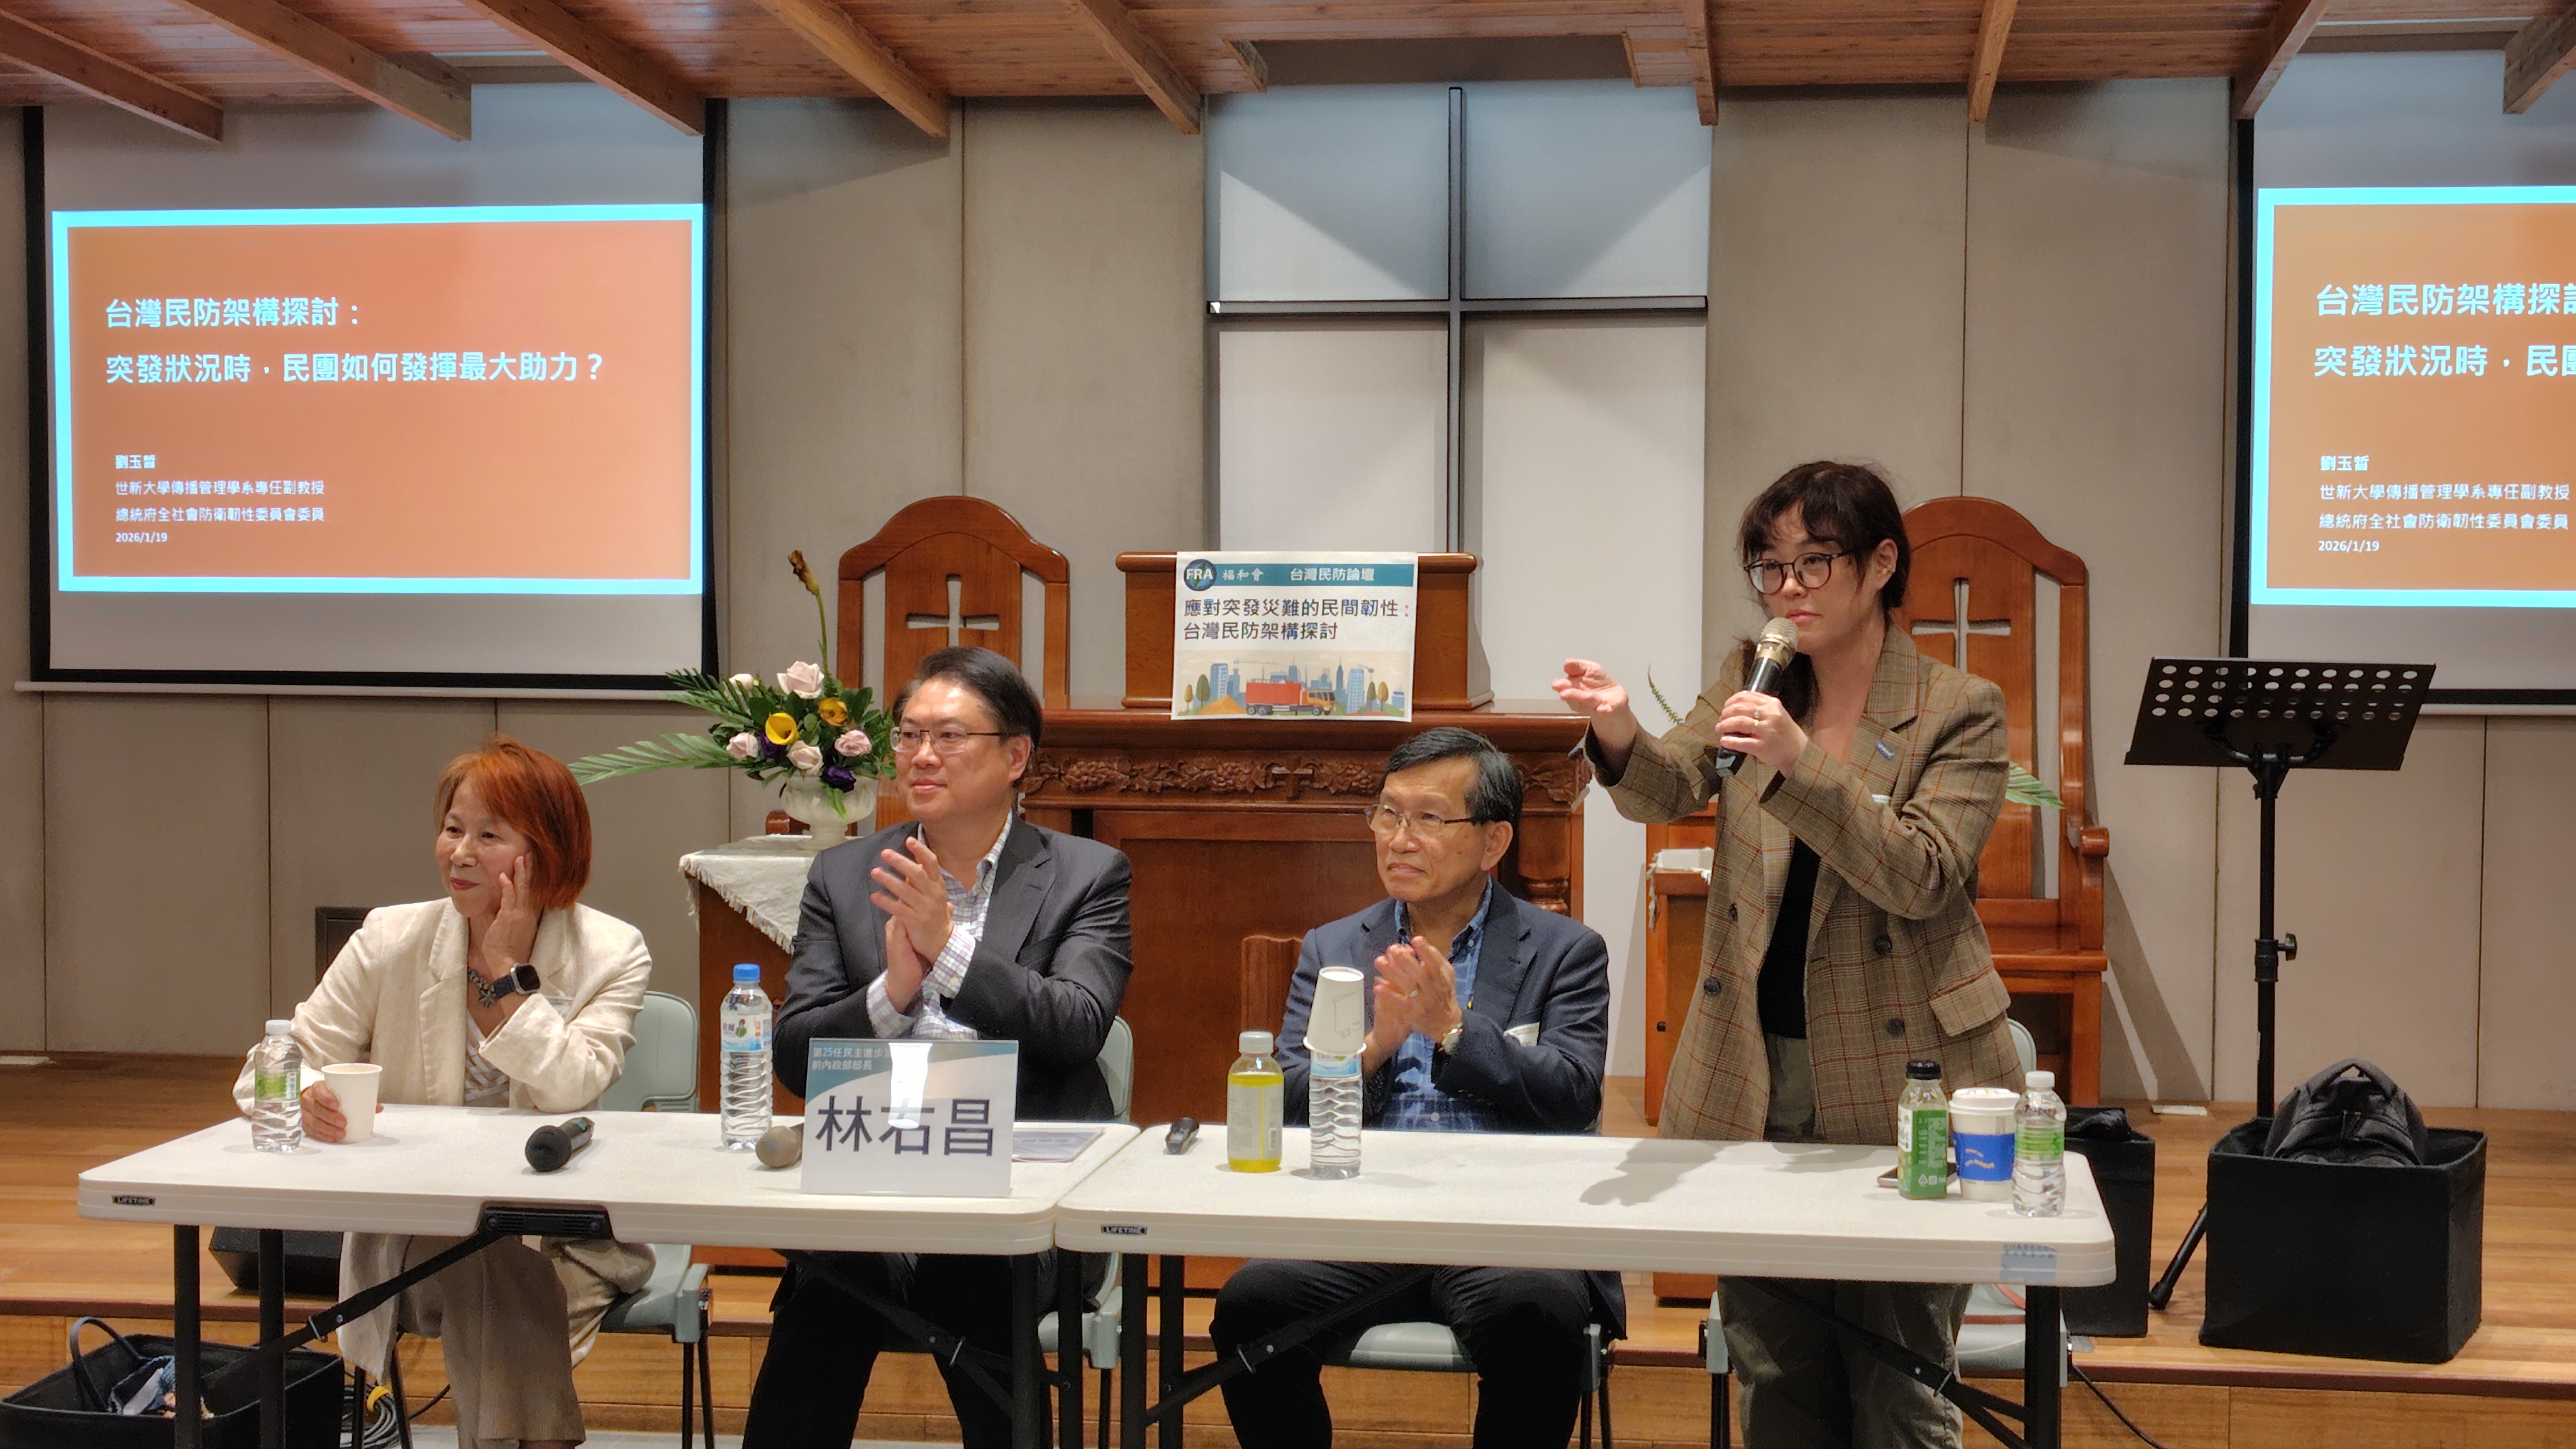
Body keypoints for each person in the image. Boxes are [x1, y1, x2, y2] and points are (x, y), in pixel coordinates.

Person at [1553, 460, 2020, 1449]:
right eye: (1769, 568)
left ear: (1881, 564)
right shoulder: (1755, 674)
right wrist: (1618, 729)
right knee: (1775, 1368)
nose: (1788, 588)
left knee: (1899, 1377)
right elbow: (1673, 784)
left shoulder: (1958, 706)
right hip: (1754, 1063)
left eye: (1814, 563)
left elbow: (1923, 874)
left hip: (1903, 1069)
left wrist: (1802, 762)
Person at [745, 645, 1134, 1449]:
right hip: (874, 1184)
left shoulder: (1086, 874)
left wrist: (948, 951)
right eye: (910, 734)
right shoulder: (846, 873)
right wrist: (890, 995)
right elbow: (795, 1057)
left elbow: (1075, 1028)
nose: (921, 755)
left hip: (1018, 1197)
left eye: (949, 736)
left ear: (1015, 757)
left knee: (971, 1271)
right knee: (828, 1279)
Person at [233, 736, 655, 1449]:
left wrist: (507, 970)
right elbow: (265, 1071)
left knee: (500, 1267)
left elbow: (571, 1085)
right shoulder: (390, 939)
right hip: (413, 1232)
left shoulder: (611, 952)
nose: (459, 853)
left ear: (546, 852)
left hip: (563, 1242)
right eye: (453, 829)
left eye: (488, 836)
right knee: (488, 1264)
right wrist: (304, 1092)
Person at [1210, 726, 1621, 1449]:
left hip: (1504, 1225)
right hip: (1364, 1215)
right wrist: (1376, 1046)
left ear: (1493, 842)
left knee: (1535, 1312)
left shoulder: (1565, 952)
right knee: (1253, 1305)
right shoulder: (1335, 947)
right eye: (1388, 814)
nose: (1399, 839)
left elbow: (1573, 1094)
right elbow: (1289, 1100)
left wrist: (1454, 1031)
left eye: (1428, 818)